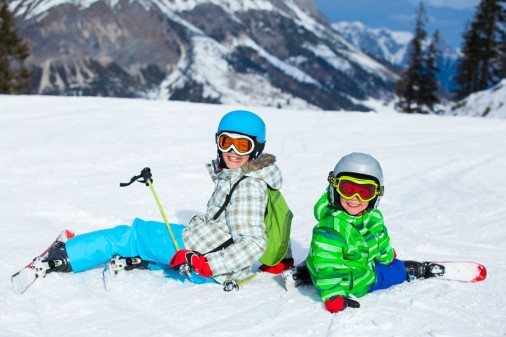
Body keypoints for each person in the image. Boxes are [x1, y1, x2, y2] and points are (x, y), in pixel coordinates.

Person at [38, 110, 292, 288]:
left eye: (242, 146)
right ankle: (147, 259)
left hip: (205, 259)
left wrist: (207, 264)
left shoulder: (248, 187)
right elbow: (234, 203)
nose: (232, 152)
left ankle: (66, 255)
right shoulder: (252, 176)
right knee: (165, 232)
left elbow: (253, 242)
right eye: (226, 142)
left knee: (133, 234)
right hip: (205, 245)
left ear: (256, 148)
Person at [306, 152, 433, 313]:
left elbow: (380, 240)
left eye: (365, 192)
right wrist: (333, 295)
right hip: (353, 281)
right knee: (392, 272)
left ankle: (310, 269)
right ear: (335, 187)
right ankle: (406, 271)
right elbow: (327, 265)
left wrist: (387, 256)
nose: (354, 198)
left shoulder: (373, 218)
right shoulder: (330, 230)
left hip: (348, 263)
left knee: (385, 263)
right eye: (348, 189)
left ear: (375, 195)